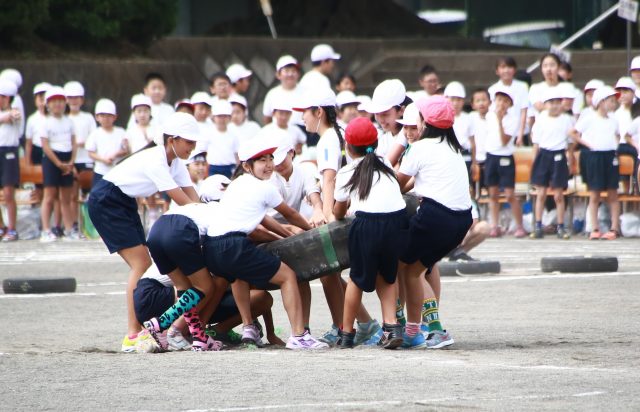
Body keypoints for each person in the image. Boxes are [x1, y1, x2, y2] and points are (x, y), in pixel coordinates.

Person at [87, 112, 201, 352]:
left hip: (123, 201)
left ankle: (139, 330)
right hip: (107, 200)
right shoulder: (156, 159)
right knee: (141, 264)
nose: (193, 147)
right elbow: (183, 201)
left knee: (142, 263)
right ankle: (132, 334)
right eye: (189, 142)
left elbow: (194, 199)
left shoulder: (176, 163)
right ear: (172, 139)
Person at [201, 138, 327, 350]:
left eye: (270, 158)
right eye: (261, 160)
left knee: (238, 276)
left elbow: (262, 220)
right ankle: (299, 335)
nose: (268, 164)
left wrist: (285, 237)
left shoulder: (236, 185)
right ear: (247, 166)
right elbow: (291, 214)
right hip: (234, 245)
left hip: (212, 249)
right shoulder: (264, 187)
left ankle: (249, 327)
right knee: (288, 276)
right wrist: (310, 231)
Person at [293, 87, 382, 346]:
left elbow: (329, 178)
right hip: (352, 210)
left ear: (318, 112)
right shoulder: (338, 133)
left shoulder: (328, 138)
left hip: (343, 213)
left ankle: (350, 325)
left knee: (328, 272)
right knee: (329, 273)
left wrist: (328, 215)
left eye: (305, 113)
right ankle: (359, 323)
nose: (302, 119)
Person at [396, 95, 472, 349]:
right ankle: (416, 331)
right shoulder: (452, 149)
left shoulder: (419, 148)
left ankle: (430, 330)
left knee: (409, 269)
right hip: (462, 220)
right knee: (416, 269)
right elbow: (413, 182)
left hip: (436, 216)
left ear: (426, 123)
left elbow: (397, 183)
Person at [333, 117, 407, 350]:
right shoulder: (384, 162)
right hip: (397, 221)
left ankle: (346, 333)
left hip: (367, 225)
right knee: (387, 276)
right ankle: (392, 327)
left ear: (348, 146)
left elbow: (339, 210)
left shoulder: (347, 171)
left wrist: (337, 213)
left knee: (357, 278)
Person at [141, 199, 222, 352]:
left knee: (185, 288)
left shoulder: (198, 207)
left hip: (156, 231)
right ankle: (160, 323)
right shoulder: (224, 210)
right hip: (180, 229)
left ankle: (199, 337)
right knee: (206, 286)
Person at [570, 86, 621, 240]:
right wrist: (587, 144)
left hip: (610, 156)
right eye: (611, 101)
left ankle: (614, 228)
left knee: (613, 193)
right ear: (601, 102)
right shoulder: (589, 118)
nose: (614, 104)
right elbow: (573, 133)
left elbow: (617, 135)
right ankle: (595, 227)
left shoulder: (614, 119)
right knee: (595, 194)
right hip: (594, 157)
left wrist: (615, 147)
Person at [529, 88, 574, 239]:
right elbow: (536, 144)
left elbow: (569, 145)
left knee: (559, 195)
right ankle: (538, 225)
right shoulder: (540, 118)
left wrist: (571, 162)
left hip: (559, 156)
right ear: (545, 104)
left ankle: (561, 226)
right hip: (544, 155)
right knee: (540, 194)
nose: (554, 105)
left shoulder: (566, 119)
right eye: (551, 102)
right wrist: (534, 163)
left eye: (557, 102)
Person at [484, 86, 527, 238]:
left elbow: (504, 141)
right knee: (493, 194)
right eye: (499, 100)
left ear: (510, 104)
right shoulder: (489, 116)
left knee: (509, 194)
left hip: (506, 157)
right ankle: (494, 226)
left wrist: (501, 121)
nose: (502, 103)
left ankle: (520, 226)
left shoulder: (513, 119)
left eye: (505, 101)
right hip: (491, 157)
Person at [38, 86, 77, 242]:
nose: (58, 104)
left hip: (67, 159)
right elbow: (45, 146)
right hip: (51, 159)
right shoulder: (45, 122)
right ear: (48, 104)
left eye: (61, 101)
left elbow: (74, 143)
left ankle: (68, 230)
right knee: (49, 196)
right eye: (54, 102)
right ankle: (46, 230)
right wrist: (58, 163)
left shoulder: (69, 122)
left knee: (66, 198)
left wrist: (71, 162)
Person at [64, 81, 96, 236]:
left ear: (82, 100)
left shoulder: (88, 117)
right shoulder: (64, 118)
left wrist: (79, 144)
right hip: (71, 160)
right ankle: (74, 225)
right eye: (70, 97)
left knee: (89, 195)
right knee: (71, 195)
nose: (74, 101)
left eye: (77, 97)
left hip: (87, 159)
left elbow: (93, 138)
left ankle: (89, 226)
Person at [361, 79, 409, 166]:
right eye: (376, 114)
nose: (380, 119)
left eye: (385, 114)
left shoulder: (410, 137)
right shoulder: (382, 138)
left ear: (401, 110)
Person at [85, 99, 128, 187]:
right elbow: (90, 153)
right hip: (100, 171)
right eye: (102, 115)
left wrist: (115, 155)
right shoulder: (95, 133)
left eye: (109, 116)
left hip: (117, 171)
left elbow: (125, 149)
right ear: (97, 117)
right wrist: (103, 160)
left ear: (114, 117)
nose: (106, 118)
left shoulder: (121, 132)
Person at [488, 57, 529, 146]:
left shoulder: (522, 87)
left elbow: (523, 111)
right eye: (503, 67)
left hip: (519, 133)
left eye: (509, 67)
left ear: (514, 70)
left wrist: (520, 135)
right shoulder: (493, 89)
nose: (506, 70)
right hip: (502, 132)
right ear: (497, 71)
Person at [0, 80, 21, 241]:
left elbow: (14, 116)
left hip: (9, 153)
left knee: (8, 193)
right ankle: (1, 227)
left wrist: (7, 115)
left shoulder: (16, 111)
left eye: (3, 97)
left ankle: (12, 228)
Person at [197, 100, 239, 178]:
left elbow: (236, 154)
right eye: (219, 116)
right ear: (213, 118)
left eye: (225, 116)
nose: (222, 119)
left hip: (229, 167)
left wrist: (238, 169)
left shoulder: (233, 135)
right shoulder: (208, 133)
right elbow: (203, 151)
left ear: (229, 118)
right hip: (213, 167)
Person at [444, 81, 475, 175]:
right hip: (448, 156)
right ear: (446, 98)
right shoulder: (443, 118)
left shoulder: (468, 118)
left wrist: (474, 162)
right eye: (452, 99)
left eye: (459, 99)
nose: (455, 103)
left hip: (465, 155)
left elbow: (472, 141)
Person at [262, 55, 302, 126]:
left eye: (293, 71)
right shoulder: (272, 94)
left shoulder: (307, 93)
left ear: (298, 74)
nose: (290, 74)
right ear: (278, 74)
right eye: (286, 71)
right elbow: (267, 118)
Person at [614, 77, 638, 193]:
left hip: (636, 146)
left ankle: (636, 186)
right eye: (619, 92)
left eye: (625, 91)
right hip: (621, 146)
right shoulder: (616, 114)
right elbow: (616, 135)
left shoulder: (637, 112)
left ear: (633, 93)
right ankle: (625, 191)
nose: (622, 95)